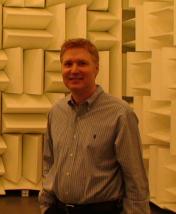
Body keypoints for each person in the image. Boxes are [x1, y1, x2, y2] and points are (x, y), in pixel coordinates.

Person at [39, 38, 150, 214]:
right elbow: (49, 163)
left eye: (82, 63)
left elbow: (135, 178)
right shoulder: (56, 112)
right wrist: (46, 206)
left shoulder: (120, 114)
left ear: (96, 68)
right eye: (68, 64)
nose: (74, 70)